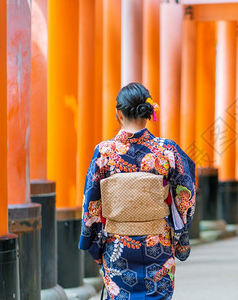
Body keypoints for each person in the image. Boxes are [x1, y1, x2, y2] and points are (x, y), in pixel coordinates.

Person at [79, 82, 196, 299]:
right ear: (149, 112)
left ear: (118, 114)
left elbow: (91, 206)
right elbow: (185, 198)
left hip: (117, 247)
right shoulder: (166, 150)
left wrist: (96, 246)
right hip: (158, 247)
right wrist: (178, 234)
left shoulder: (104, 151)